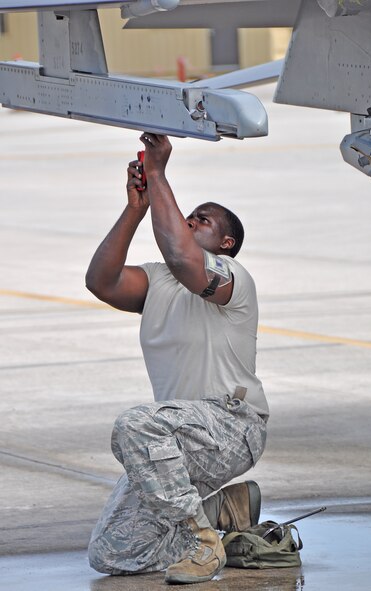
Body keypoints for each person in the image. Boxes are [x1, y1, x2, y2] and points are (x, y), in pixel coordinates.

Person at [85, 133, 269, 585]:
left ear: (225, 243)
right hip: (175, 439)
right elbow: (101, 281)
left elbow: (185, 260)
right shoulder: (157, 279)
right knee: (110, 552)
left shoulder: (230, 277)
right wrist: (136, 209)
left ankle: (200, 543)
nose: (188, 223)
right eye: (185, 217)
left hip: (232, 425)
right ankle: (217, 514)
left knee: (135, 424)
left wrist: (158, 173)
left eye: (201, 221)